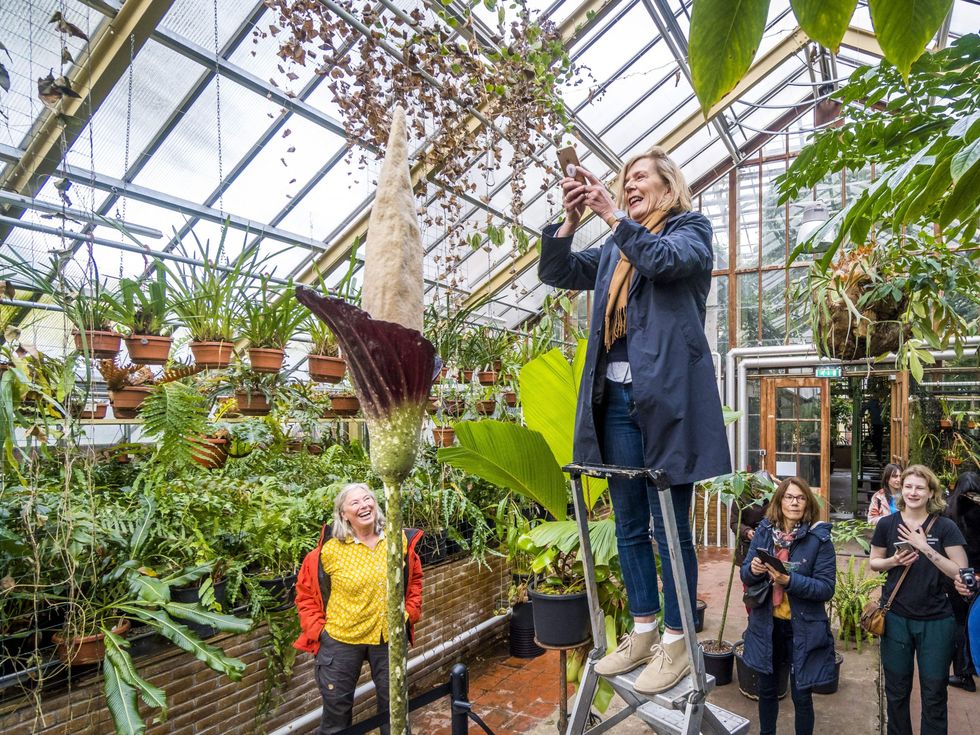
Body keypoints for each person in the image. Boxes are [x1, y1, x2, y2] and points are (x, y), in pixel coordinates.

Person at [538, 145, 730, 694]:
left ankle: (677, 641)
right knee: (627, 525)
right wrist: (571, 220)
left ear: (668, 184)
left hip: (667, 404)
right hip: (617, 403)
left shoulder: (691, 231)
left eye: (638, 177)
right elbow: (556, 270)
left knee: (670, 529)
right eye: (624, 182)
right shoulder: (612, 252)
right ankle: (642, 630)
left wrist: (611, 216)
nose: (627, 187)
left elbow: (665, 262)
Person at [293, 483, 424, 735]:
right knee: (336, 716)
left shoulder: (396, 542)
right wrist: (319, 631)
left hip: (387, 639)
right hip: (341, 640)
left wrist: (409, 613)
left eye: (367, 499)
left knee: (394, 711)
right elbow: (305, 594)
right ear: (343, 514)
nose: (364, 505)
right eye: (355, 503)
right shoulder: (328, 551)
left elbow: (415, 579)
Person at [870, 465, 968, 735]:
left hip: (937, 620)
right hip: (896, 618)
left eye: (920, 487)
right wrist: (893, 560)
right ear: (901, 488)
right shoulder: (887, 524)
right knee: (897, 691)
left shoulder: (945, 526)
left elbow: (960, 570)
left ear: (931, 492)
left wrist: (925, 548)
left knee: (934, 691)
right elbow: (874, 562)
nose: (913, 492)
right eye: (908, 486)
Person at [740, 477, 836, 735]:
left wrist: (789, 581)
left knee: (802, 695)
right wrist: (755, 569)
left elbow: (826, 588)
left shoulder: (819, 539)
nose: (794, 502)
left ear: (808, 503)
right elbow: (746, 575)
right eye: (789, 497)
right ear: (779, 501)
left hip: (802, 627)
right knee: (767, 691)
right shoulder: (764, 531)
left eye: (800, 497)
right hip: (768, 624)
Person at [946, 471, 980, 691]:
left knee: (959, 623)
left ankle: (963, 673)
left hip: (955, 575)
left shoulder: (948, 511)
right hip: (974, 575)